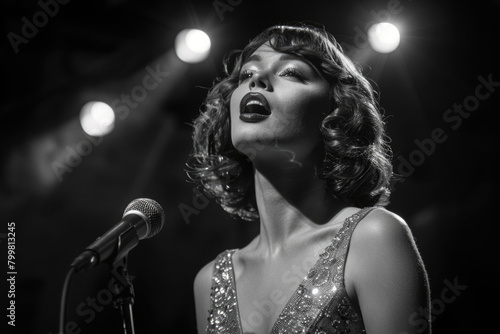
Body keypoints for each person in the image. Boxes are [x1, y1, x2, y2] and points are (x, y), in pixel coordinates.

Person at [187, 23, 431, 334]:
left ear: (337, 112)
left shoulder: (373, 238)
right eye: (247, 74)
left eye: (290, 72)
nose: (257, 80)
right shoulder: (210, 281)